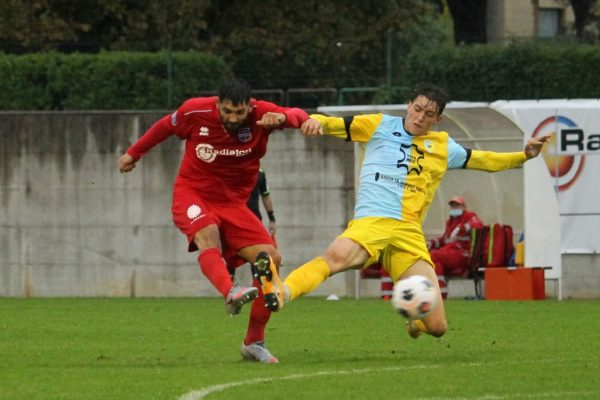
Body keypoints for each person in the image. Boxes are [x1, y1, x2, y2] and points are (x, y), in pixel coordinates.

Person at [255, 83, 549, 341]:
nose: (420, 117)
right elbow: (333, 123)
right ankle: (282, 293)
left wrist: (524, 155)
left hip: (408, 234)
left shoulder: (444, 146)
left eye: (429, 114)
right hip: (373, 222)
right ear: (409, 106)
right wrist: (312, 123)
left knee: (438, 327)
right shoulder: (379, 125)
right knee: (335, 259)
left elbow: (484, 160)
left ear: (438, 119)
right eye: (417, 109)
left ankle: (416, 324)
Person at [118, 78, 309, 363]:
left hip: (233, 204)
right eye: (227, 111)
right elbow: (164, 127)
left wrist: (283, 117)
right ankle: (230, 292)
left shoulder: (261, 114)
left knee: (271, 260)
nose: (233, 118)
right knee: (207, 233)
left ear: (250, 107)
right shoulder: (194, 112)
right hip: (193, 193)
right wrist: (134, 153)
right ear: (218, 104)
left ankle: (253, 342)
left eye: (239, 113)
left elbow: (300, 116)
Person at [428, 196, 483, 299]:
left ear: (464, 206)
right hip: (450, 253)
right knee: (432, 259)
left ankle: (440, 292)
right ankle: (440, 293)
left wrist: (462, 228)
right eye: (452, 206)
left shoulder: (469, 215)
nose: (454, 208)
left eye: (457, 205)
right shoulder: (450, 221)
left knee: (435, 255)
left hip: (462, 254)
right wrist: (431, 243)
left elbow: (478, 224)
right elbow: (445, 239)